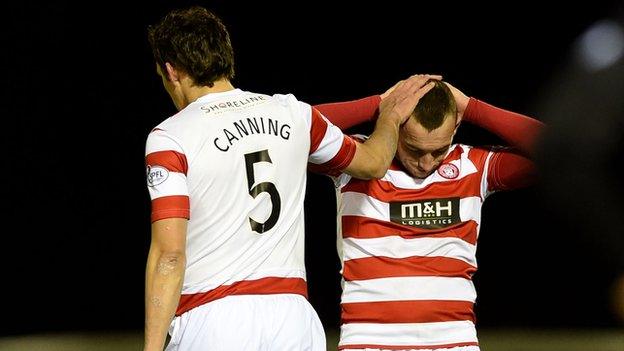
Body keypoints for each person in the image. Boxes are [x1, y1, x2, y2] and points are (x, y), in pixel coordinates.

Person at [143, 6, 438, 351]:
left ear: (171, 70)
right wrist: (390, 115)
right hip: (293, 320)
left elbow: (170, 256)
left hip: (213, 318)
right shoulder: (293, 114)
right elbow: (373, 163)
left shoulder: (170, 136)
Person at [319, 80, 545, 350]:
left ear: (456, 129)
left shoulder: (473, 167)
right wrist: (380, 106)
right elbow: (293, 130)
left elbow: (556, 150)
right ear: (396, 126)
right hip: (368, 340)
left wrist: (471, 107)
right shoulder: (356, 160)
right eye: (414, 150)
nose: (426, 163)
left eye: (438, 151)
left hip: (454, 341)